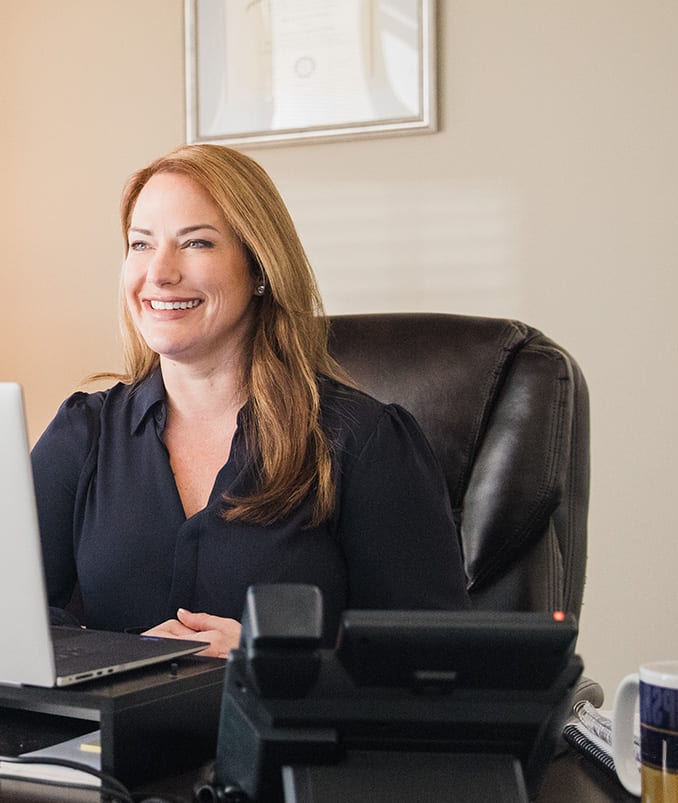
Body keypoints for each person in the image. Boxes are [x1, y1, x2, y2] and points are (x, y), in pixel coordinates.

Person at [31, 144, 470, 659]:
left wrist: (277, 659)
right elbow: (3, 618)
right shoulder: (85, 433)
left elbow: (436, 660)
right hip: (107, 738)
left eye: (196, 243)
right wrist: (123, 656)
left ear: (259, 268)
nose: (160, 273)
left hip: (287, 736)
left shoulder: (361, 440)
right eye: (141, 245)